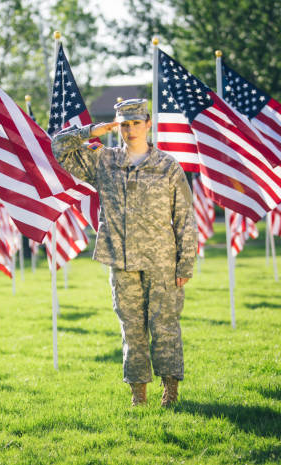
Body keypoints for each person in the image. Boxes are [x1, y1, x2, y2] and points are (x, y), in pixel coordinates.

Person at [51, 99, 197, 407]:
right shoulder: (104, 162)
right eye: (124, 124)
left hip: (162, 262)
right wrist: (92, 130)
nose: (130, 130)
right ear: (118, 126)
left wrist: (185, 264)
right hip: (122, 260)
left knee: (165, 327)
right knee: (132, 329)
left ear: (148, 123)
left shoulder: (168, 166)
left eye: (136, 122)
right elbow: (58, 148)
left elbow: (184, 216)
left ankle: (170, 391)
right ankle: (138, 395)